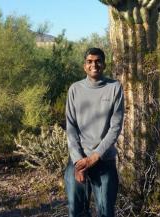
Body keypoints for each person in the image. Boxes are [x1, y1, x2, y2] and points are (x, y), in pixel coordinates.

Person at [64, 47, 124, 217]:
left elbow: (115, 127)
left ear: (104, 64)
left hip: (104, 160)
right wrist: (78, 161)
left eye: (98, 61)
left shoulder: (114, 88)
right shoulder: (75, 89)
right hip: (78, 161)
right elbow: (71, 126)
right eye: (89, 61)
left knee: (106, 211)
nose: (94, 65)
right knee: (76, 211)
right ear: (84, 66)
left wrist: (94, 157)